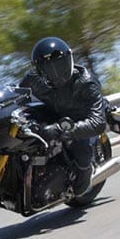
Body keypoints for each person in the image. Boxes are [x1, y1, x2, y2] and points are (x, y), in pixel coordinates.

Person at [18, 37, 107, 196]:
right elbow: (16, 94)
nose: (56, 73)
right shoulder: (32, 79)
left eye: (59, 65)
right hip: (54, 114)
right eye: (48, 69)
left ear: (70, 59)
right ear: (39, 70)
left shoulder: (86, 83)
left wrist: (61, 130)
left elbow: (98, 122)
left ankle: (84, 177)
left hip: (80, 121)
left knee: (82, 153)